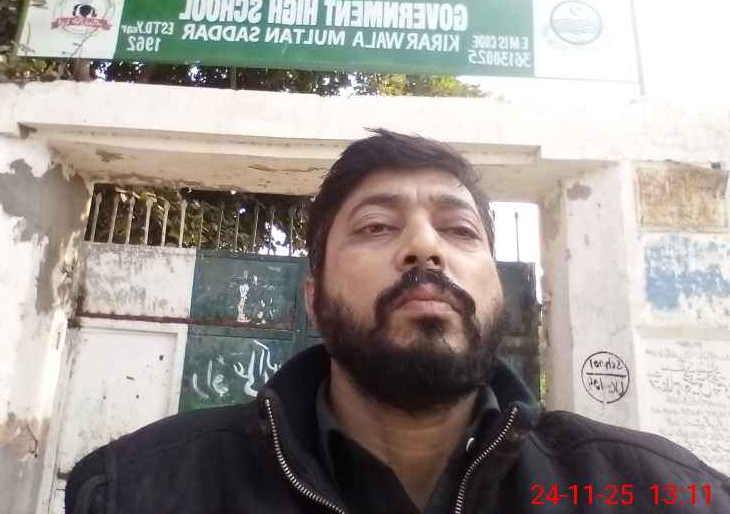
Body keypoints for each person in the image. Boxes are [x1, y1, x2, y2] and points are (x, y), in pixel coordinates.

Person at [66, 129, 730, 513]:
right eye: (377, 225)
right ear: (313, 297)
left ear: (497, 289)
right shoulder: (139, 492)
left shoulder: (658, 493)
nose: (425, 247)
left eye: (460, 229)